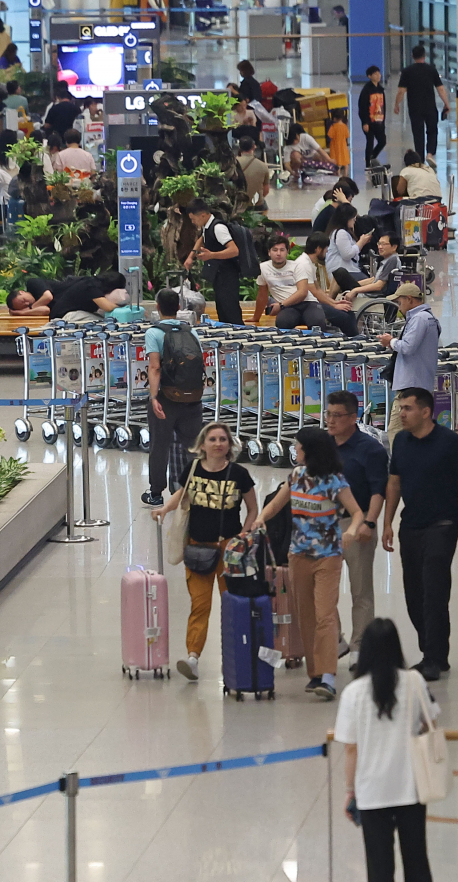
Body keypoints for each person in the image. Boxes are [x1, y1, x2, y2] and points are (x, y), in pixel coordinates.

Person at [251, 427, 369, 701]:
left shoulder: (334, 482)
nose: (295, 449)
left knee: (325, 614)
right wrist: (260, 519)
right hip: (298, 556)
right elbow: (277, 504)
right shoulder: (296, 476)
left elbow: (356, 513)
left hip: (328, 557)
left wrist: (351, 531)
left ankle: (328, 677)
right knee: (305, 615)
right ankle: (315, 673)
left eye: (298, 446)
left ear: (311, 450)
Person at [150, 422, 258, 682]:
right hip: (197, 548)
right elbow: (181, 493)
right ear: (202, 445)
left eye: (223, 439)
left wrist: (245, 534)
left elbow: (253, 508)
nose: (218, 443)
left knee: (233, 604)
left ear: (230, 445)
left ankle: (239, 653)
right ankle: (193, 657)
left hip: (230, 548)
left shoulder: (239, 474)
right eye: (213, 439)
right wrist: (165, 509)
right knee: (200, 605)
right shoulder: (194, 468)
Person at [381, 387, 458, 681]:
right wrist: (387, 523)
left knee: (434, 592)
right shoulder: (402, 443)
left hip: (443, 525)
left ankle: (433, 657)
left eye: (407, 408)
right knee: (414, 594)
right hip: (411, 525)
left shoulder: (450, 443)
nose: (402, 413)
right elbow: (394, 484)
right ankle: (433, 652)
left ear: (425, 412)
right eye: (401, 408)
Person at [334, 618, 438, 882]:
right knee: (417, 862)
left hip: (372, 792)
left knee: (379, 869)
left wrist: (350, 791)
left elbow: (350, 750)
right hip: (411, 787)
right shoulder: (414, 681)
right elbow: (432, 721)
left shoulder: (353, 693)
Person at [327, 390, 387, 672]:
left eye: (337, 416)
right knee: (322, 589)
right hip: (323, 524)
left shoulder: (369, 449)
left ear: (353, 417)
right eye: (328, 414)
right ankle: (336, 640)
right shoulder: (323, 446)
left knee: (360, 589)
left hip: (357, 523)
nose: (330, 421)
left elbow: (379, 489)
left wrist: (370, 522)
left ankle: (360, 645)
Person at [142, 288, 204, 506]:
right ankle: (197, 489)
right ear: (179, 308)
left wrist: (153, 397)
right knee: (194, 446)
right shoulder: (191, 331)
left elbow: (154, 367)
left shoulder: (153, 333)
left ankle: (156, 493)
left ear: (157, 308)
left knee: (159, 444)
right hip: (193, 397)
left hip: (167, 397)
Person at [376, 283, 437, 441]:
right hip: (418, 384)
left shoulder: (419, 319)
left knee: (395, 430)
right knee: (415, 431)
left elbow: (408, 347)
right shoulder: (427, 318)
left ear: (409, 299)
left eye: (399, 302)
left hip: (411, 386)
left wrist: (391, 341)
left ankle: (401, 463)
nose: (399, 306)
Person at [183, 199, 243, 325]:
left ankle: (239, 333)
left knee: (230, 310)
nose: (193, 222)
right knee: (222, 308)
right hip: (218, 275)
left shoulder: (218, 228)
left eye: (194, 219)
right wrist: (190, 256)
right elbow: (202, 238)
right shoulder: (207, 226)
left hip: (228, 274)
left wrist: (212, 255)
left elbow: (234, 250)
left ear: (203, 215)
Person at [254, 234, 326, 328]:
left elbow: (302, 292)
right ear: (269, 252)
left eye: (282, 250)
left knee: (317, 322)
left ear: (287, 251)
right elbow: (262, 295)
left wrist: (281, 305)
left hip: (307, 303)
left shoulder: (297, 266)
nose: (278, 253)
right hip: (289, 308)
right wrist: (256, 317)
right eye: (275, 250)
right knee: (282, 322)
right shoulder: (262, 268)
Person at [297, 231, 358, 335]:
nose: (327, 252)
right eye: (325, 249)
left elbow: (318, 289)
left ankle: (355, 339)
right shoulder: (303, 264)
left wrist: (335, 303)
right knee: (344, 318)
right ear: (318, 249)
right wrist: (334, 306)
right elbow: (314, 292)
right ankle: (353, 340)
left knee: (348, 312)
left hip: (313, 302)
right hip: (308, 305)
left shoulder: (309, 263)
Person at [395, 45, 449, 161]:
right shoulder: (431, 70)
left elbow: (401, 91)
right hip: (430, 106)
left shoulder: (407, 71)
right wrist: (446, 104)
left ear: (412, 56)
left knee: (418, 132)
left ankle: (420, 157)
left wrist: (396, 105)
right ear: (424, 56)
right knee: (432, 130)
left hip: (415, 108)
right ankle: (430, 153)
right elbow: (440, 89)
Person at [6, 273, 124, 320]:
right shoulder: (90, 285)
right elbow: (108, 307)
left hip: (63, 313)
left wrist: (24, 311)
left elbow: (47, 299)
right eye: (22, 306)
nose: (26, 304)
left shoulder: (33, 283)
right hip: (66, 316)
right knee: (105, 321)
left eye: (24, 301)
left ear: (22, 292)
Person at [326, 203, 373, 290]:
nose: (354, 220)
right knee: (373, 283)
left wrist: (361, 243)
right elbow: (347, 254)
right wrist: (361, 242)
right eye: (353, 218)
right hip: (344, 273)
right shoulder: (341, 233)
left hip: (348, 271)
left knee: (372, 280)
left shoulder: (341, 232)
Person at [347, 233, 402, 299]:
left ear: (394, 247)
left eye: (383, 244)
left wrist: (355, 290)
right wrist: (353, 285)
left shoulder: (392, 260)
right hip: (373, 294)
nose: (380, 247)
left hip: (375, 297)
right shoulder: (387, 260)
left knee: (340, 273)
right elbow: (374, 279)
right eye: (379, 243)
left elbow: (379, 285)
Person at [358, 66, 387, 167]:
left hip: (379, 120)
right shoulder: (366, 90)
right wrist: (365, 122)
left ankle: (372, 157)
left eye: (379, 73)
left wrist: (383, 121)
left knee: (382, 141)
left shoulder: (380, 89)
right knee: (370, 142)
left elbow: (383, 106)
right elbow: (362, 107)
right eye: (375, 74)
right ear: (369, 76)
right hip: (369, 121)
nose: (378, 75)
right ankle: (368, 164)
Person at [237, 137, 271, 209]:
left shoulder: (233, 164)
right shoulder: (263, 166)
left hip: (238, 205)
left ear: (239, 147)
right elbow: (266, 190)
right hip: (257, 205)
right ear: (254, 147)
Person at [329, 109, 351, 177]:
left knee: (337, 162)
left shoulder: (333, 127)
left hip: (335, 147)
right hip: (343, 146)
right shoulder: (344, 126)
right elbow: (347, 135)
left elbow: (330, 135)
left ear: (334, 118)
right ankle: (346, 174)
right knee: (345, 161)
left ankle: (338, 174)